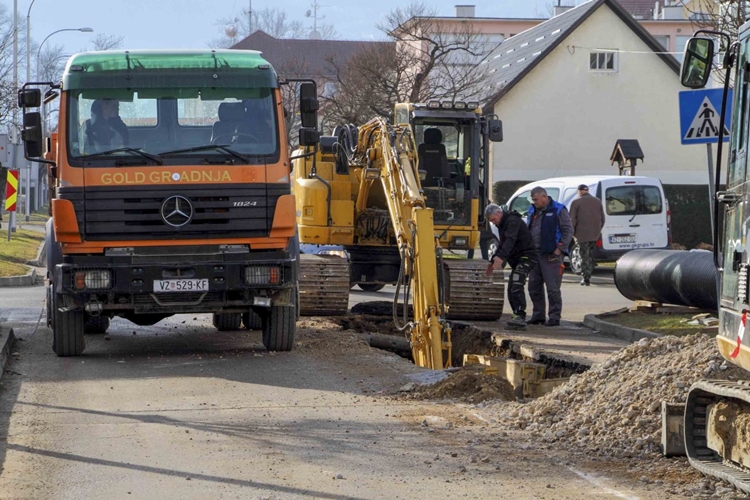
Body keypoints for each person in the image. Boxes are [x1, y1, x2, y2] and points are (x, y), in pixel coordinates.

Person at [485, 203, 538, 330]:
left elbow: (510, 240)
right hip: (517, 259)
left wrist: (501, 257)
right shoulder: (502, 224)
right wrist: (494, 261)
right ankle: (516, 316)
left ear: (499, 213)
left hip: (527, 255)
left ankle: (520, 315)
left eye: (493, 219)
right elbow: (502, 243)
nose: (494, 223)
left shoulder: (512, 220)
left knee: (516, 283)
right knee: (511, 289)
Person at [526, 186, 574, 327]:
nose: (534, 202)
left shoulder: (558, 209)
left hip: (551, 256)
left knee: (553, 288)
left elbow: (568, 231)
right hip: (535, 255)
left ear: (544, 197)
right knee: (534, 287)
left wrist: (559, 250)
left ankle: (554, 317)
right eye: (533, 200)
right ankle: (538, 316)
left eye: (535, 199)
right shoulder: (533, 210)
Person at [569, 184, 605, 286]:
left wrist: (572, 233)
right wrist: (597, 230)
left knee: (583, 255)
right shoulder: (597, 201)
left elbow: (572, 220)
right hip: (594, 234)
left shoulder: (576, 202)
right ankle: (588, 274)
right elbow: (602, 218)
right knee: (589, 255)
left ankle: (585, 278)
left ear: (579, 191)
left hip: (581, 234)